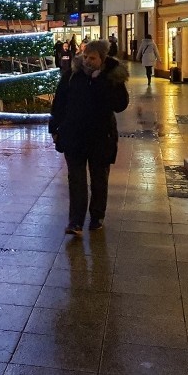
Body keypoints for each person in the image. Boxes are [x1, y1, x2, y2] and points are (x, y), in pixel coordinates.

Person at [49, 39, 129, 235]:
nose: (87, 61)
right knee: (76, 180)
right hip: (74, 135)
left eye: (92, 58)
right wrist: (55, 128)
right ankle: (75, 222)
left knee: (99, 179)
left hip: (101, 137)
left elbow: (120, 105)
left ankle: (96, 217)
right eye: (85, 56)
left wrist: (102, 81)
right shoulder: (72, 75)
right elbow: (59, 103)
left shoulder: (112, 77)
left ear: (102, 59)